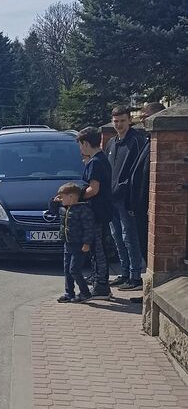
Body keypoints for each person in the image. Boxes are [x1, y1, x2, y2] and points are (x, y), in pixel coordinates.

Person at [104, 106, 145, 290]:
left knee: (130, 237)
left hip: (126, 199)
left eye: (122, 121)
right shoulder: (112, 143)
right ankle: (125, 272)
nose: (119, 124)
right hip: (111, 199)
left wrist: (123, 189)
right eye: (115, 121)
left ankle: (135, 277)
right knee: (117, 236)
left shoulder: (136, 141)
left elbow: (137, 171)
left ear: (130, 120)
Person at [77, 127, 114, 299]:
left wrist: (78, 196)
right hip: (102, 210)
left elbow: (94, 189)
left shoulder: (96, 162)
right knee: (96, 247)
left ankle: (102, 286)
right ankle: (98, 278)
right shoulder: (99, 160)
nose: (80, 148)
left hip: (97, 211)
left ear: (85, 143)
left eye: (80, 145)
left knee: (98, 248)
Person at [130, 102, 166, 263]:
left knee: (147, 245)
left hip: (148, 205)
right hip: (140, 205)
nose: (143, 120)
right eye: (143, 117)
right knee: (142, 243)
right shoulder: (147, 139)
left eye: (146, 117)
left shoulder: (159, 142)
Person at [52, 182, 95, 304]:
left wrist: (87, 243)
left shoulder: (83, 209)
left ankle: (85, 293)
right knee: (67, 270)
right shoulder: (64, 209)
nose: (60, 200)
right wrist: (53, 201)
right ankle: (69, 293)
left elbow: (88, 228)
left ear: (71, 197)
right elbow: (53, 210)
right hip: (68, 243)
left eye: (62, 197)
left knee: (74, 270)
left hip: (79, 245)